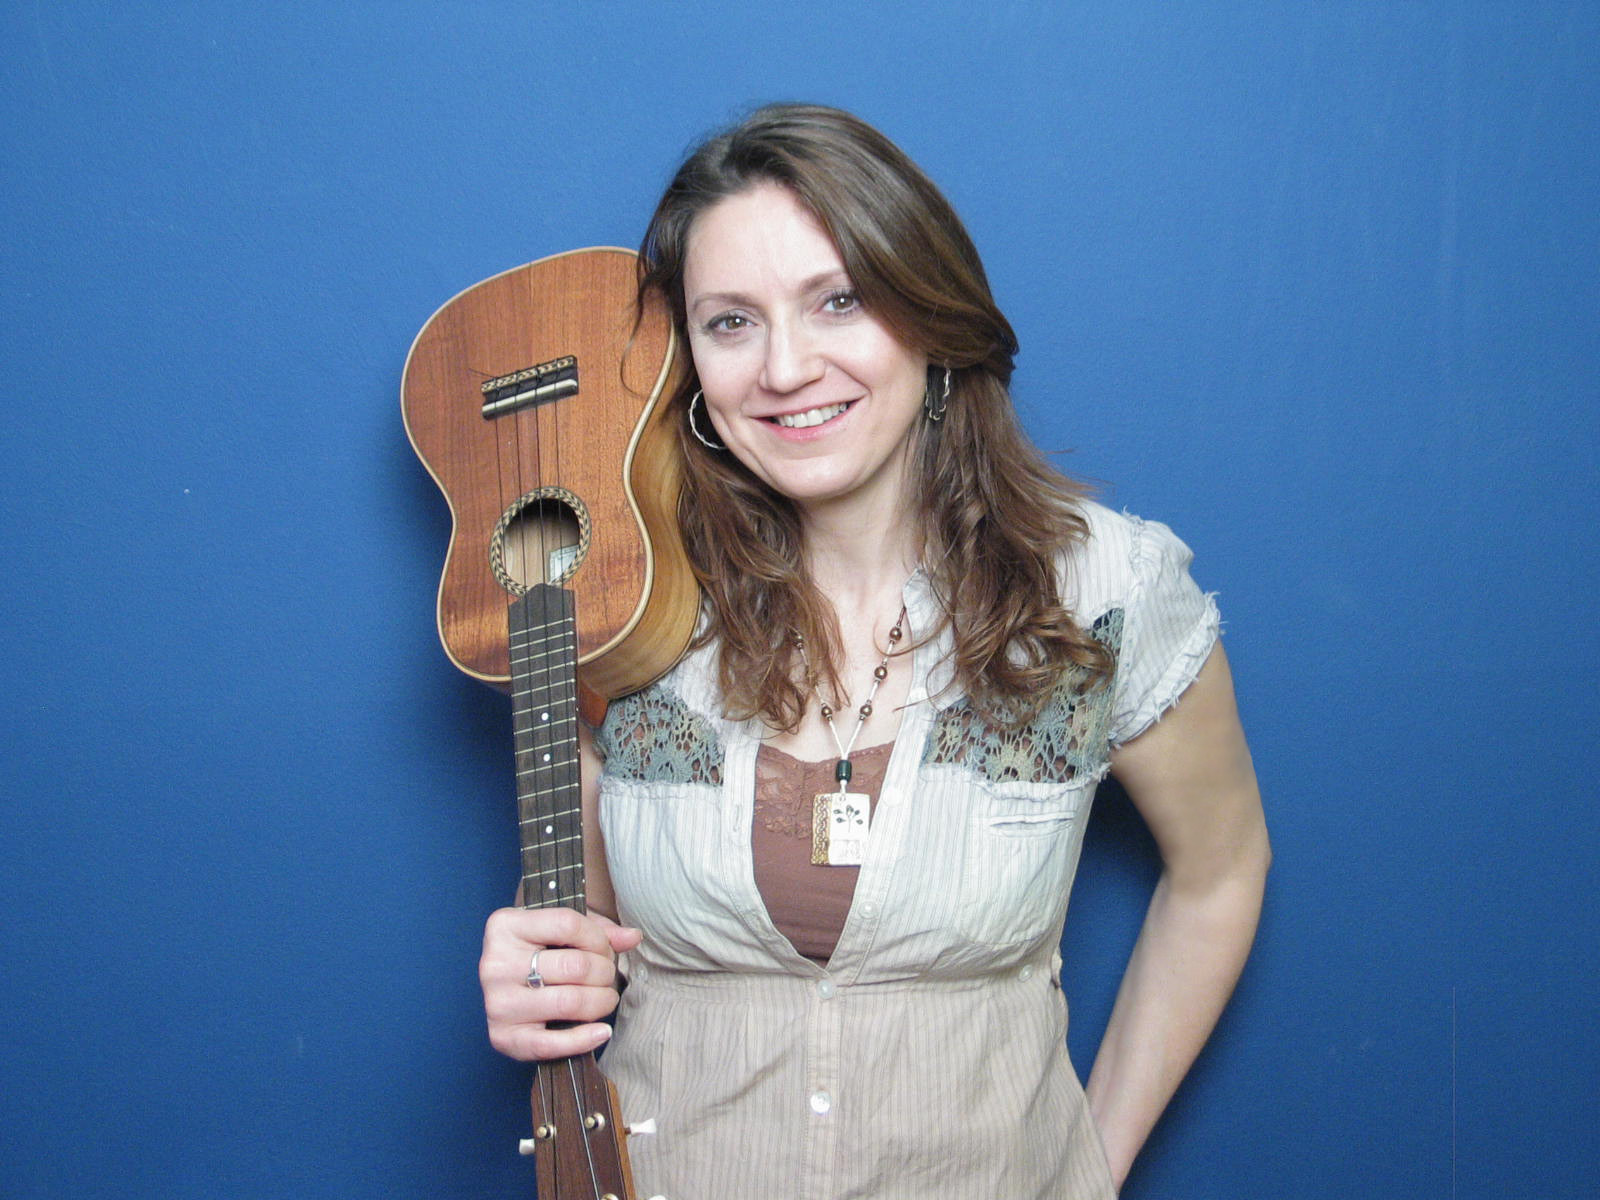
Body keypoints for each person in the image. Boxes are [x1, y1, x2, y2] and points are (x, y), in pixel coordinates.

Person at [479, 103, 1269, 1199]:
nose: (786, 368)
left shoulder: (1104, 593)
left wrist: (1094, 1161)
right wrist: (535, 974)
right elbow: (591, 933)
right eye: (730, 322)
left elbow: (1222, 870)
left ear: (929, 313)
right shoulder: (621, 600)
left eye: (837, 300)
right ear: (686, 364)